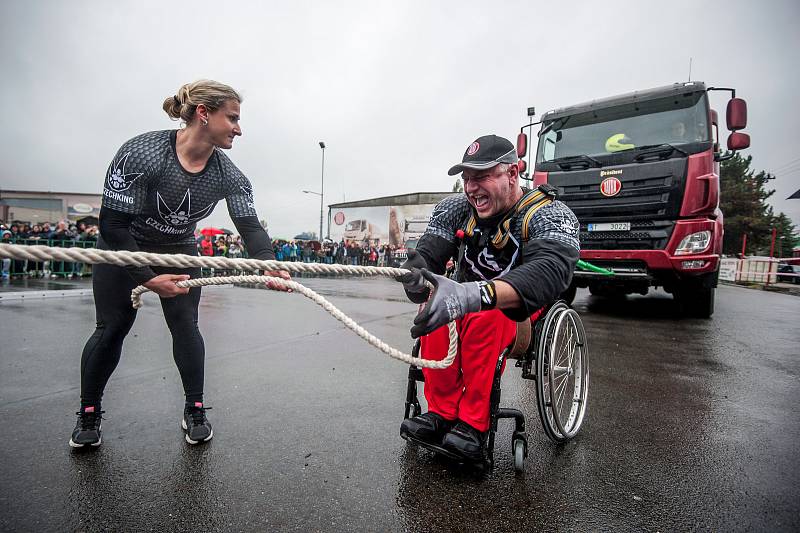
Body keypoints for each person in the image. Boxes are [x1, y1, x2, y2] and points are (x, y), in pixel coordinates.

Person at [70, 79, 291, 449]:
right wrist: (146, 279)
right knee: (112, 328)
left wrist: (269, 264)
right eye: (232, 118)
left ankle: (195, 409)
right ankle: (89, 414)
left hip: (179, 250)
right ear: (203, 113)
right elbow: (112, 225)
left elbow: (251, 228)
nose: (239, 127)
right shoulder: (141, 153)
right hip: (124, 246)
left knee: (186, 326)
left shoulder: (229, 175)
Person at [396, 134, 580, 462]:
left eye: (482, 177)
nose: (471, 187)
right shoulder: (456, 209)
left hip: (520, 312)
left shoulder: (548, 213)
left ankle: (473, 424)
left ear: (513, 172)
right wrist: (416, 277)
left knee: (486, 311)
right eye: (467, 178)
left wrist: (480, 293)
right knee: (437, 307)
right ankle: (442, 412)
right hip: (463, 299)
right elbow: (429, 254)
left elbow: (552, 270)